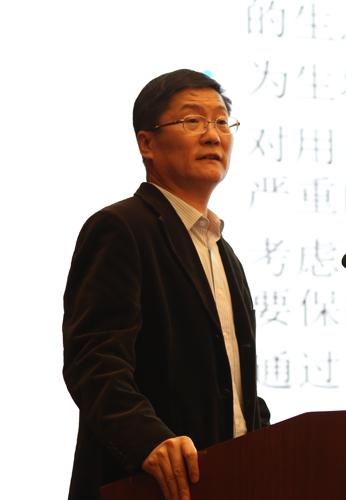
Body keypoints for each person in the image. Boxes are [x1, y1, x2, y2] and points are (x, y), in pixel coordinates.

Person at [62, 69, 270, 500]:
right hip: (143, 486)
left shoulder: (223, 254)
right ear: (147, 143)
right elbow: (94, 361)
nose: (212, 135)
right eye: (193, 120)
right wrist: (148, 441)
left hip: (225, 482)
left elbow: (233, 391)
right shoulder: (121, 229)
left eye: (221, 121)